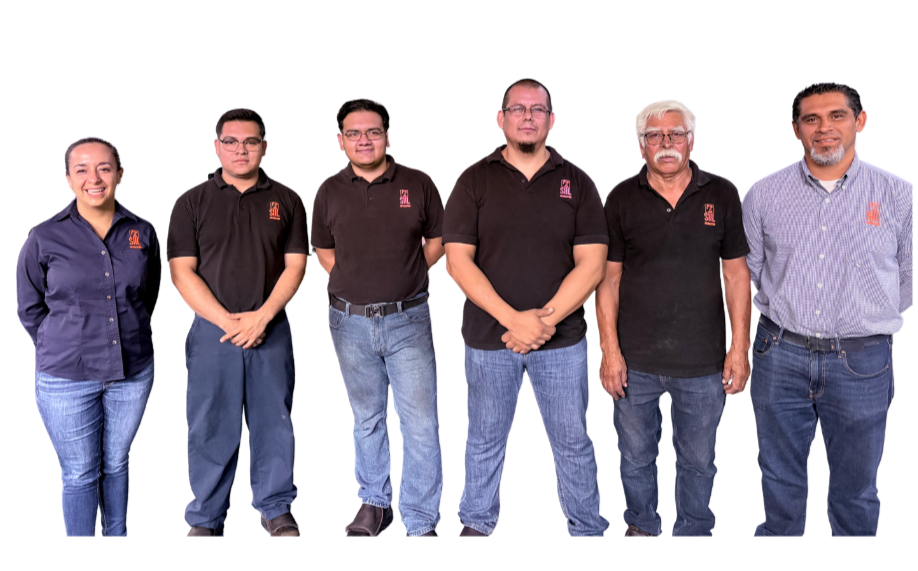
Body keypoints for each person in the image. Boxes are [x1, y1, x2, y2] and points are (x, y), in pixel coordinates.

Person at [442, 79, 609, 536]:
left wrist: (542, 322)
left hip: (562, 342)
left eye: (538, 109)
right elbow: (458, 261)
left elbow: (592, 265)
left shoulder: (577, 182)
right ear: (502, 119)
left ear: (551, 120)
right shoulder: (474, 180)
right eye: (518, 108)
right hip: (490, 340)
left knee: (572, 442)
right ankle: (476, 523)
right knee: (484, 440)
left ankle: (587, 527)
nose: (528, 116)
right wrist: (513, 320)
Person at [744, 82, 912, 535]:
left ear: (859, 121)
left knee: (856, 491)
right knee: (779, 480)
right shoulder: (764, 194)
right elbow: (753, 270)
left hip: (862, 361)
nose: (825, 129)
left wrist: (859, 319)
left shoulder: (897, 195)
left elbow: (906, 279)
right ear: (796, 129)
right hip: (780, 354)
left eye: (837, 116)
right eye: (812, 119)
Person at [596, 101, 751, 537]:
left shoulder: (720, 194)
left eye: (675, 134)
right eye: (655, 136)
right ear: (641, 145)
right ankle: (642, 527)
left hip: (702, 363)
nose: (666, 143)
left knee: (699, 460)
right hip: (635, 363)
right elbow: (607, 281)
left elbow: (736, 275)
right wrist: (610, 352)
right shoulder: (622, 198)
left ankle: (694, 531)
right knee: (635, 456)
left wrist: (738, 349)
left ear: (691, 140)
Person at [168, 109, 309, 537]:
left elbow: (295, 265)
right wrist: (226, 322)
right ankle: (207, 518)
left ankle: (276, 508)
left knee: (274, 422)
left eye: (250, 141)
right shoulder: (192, 202)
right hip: (214, 335)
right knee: (210, 423)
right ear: (217, 146)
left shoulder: (285, 200)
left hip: (270, 330)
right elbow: (181, 271)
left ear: (263, 146)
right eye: (231, 141)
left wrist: (262, 317)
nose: (241, 149)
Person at [312, 99, 444, 537]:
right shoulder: (329, 191)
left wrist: (404, 277)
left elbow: (438, 239)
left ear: (387, 135)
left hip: (407, 321)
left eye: (373, 132)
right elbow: (325, 252)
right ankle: (375, 503)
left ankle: (421, 519)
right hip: (349, 323)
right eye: (354, 133)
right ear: (341, 140)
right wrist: (357, 283)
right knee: (366, 416)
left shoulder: (418, 184)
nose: (364, 140)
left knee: (420, 422)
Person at [17, 138, 160, 536]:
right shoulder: (44, 237)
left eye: (103, 168)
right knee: (80, 473)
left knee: (116, 462)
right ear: (68, 178)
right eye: (81, 169)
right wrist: (62, 344)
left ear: (119, 174)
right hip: (66, 378)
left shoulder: (142, 232)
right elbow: (30, 308)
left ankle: (117, 542)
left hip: (131, 372)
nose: (93, 178)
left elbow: (145, 297)